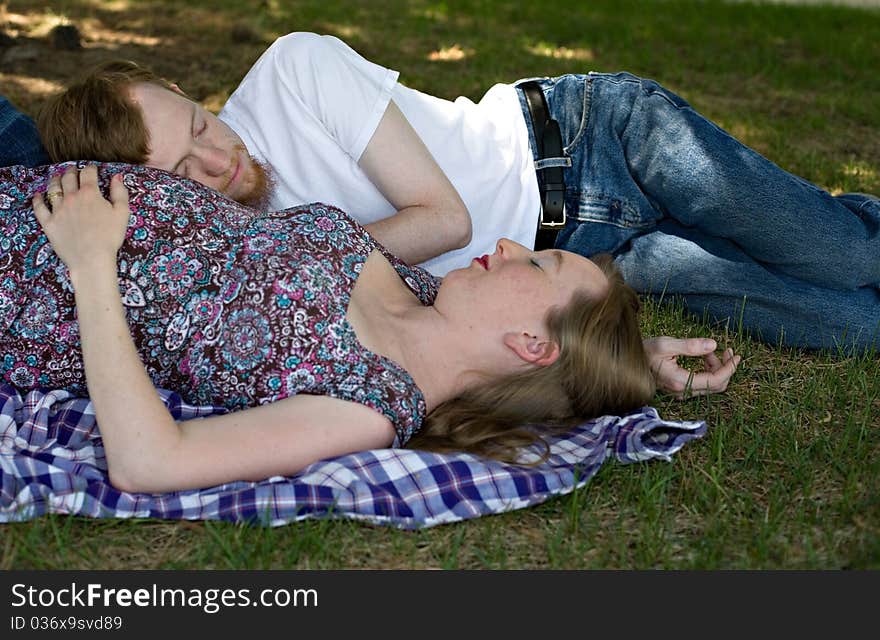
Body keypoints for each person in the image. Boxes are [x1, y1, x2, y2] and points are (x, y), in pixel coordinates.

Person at [37, 32, 879, 354]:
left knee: (848, 254)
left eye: (199, 125)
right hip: (591, 258)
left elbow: (446, 220)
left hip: (596, 144)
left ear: (191, 93)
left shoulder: (294, 71)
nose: (215, 161)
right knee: (857, 324)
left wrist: (294, 253)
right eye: (181, 173)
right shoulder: (218, 247)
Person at [1, 161, 679, 493]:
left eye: (534, 263)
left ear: (534, 345)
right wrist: (634, 359)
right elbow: (572, 365)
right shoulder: (422, 293)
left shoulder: (371, 403)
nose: (506, 245)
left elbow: (152, 462)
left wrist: (90, 259)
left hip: (27, 277)